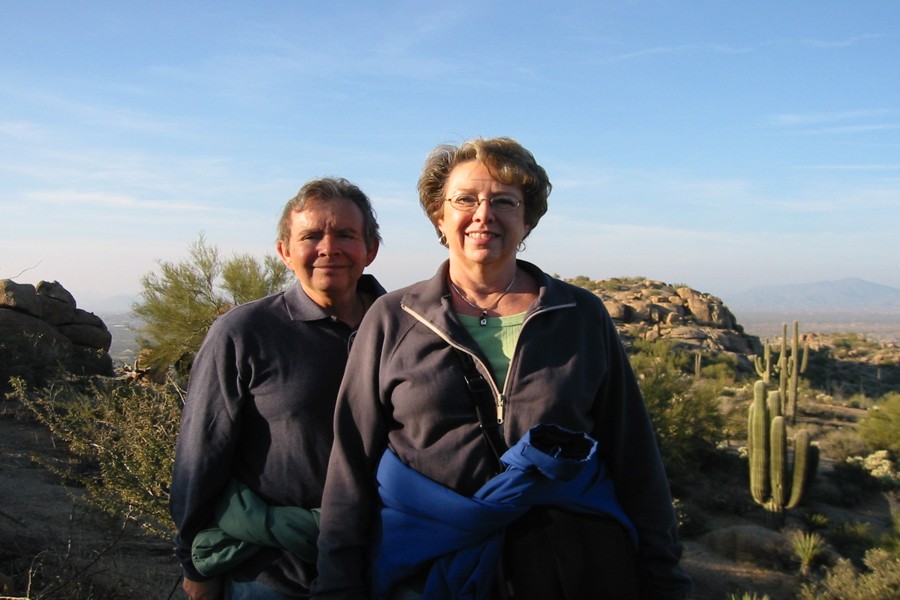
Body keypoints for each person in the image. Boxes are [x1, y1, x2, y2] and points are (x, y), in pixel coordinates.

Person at [312, 138, 692, 599]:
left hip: (570, 568)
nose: (483, 215)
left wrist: (665, 578)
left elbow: (634, 457)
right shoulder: (393, 318)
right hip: (425, 569)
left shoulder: (578, 314)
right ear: (439, 215)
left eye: (505, 201)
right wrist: (336, 586)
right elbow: (351, 465)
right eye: (465, 200)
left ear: (527, 219)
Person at [170, 177, 384, 600]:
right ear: (285, 252)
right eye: (311, 236)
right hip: (272, 573)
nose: (328, 248)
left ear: (370, 249)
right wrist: (195, 561)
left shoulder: (404, 328)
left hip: (384, 563)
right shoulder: (244, 332)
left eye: (345, 234)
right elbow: (201, 454)